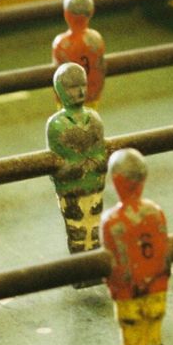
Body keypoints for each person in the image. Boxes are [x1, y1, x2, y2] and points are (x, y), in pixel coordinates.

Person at [101, 149, 171, 345]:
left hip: (128, 291)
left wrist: (114, 286)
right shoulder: (155, 212)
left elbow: (113, 263)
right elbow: (164, 253)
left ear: (116, 181)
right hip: (157, 286)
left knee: (133, 335)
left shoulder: (111, 221)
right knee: (153, 330)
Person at [46, 62, 107, 257]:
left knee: (94, 229)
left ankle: (94, 266)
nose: (80, 92)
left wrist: (95, 163)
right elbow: (57, 166)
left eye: (83, 85)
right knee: (77, 231)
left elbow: (101, 155)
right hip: (71, 191)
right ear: (61, 91)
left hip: (95, 186)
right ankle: (83, 270)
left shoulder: (95, 119)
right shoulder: (56, 125)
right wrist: (77, 167)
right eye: (73, 87)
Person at [52, 0, 106, 106]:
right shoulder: (97, 39)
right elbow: (101, 68)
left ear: (66, 14)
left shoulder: (60, 43)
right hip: (92, 96)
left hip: (67, 100)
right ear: (91, 12)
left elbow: (58, 76)